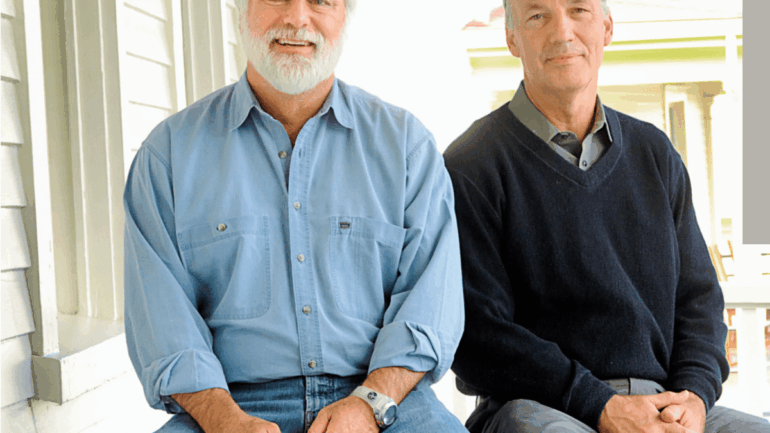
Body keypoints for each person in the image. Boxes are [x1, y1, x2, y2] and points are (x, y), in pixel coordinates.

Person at [123, 1, 467, 432]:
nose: (297, 18)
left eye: (321, 1)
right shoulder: (168, 157)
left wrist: (368, 403)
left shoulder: (406, 149)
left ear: (346, 14)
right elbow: (163, 324)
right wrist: (225, 420)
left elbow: (430, 307)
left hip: (383, 401)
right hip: (230, 406)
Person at [444, 0, 769, 432]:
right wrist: (600, 404)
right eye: (537, 15)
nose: (563, 32)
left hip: (663, 405)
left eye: (579, 10)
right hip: (542, 409)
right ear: (511, 38)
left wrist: (692, 396)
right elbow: (478, 335)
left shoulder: (655, 154)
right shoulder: (471, 164)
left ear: (607, 28)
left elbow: (698, 301)